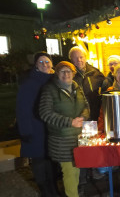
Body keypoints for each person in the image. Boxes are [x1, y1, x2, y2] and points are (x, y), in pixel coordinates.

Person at [39, 61, 90, 197]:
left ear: (74, 73)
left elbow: (86, 106)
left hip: (78, 137)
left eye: (69, 71)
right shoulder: (50, 89)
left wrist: (83, 118)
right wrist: (70, 122)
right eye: (63, 71)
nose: (66, 74)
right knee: (69, 172)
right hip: (62, 140)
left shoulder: (76, 86)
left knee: (77, 170)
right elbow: (45, 113)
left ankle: (74, 194)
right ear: (57, 73)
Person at [16, 51, 58, 197]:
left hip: (52, 128)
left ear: (52, 64)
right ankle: (45, 191)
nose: (44, 64)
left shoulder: (55, 80)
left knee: (52, 162)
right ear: (35, 65)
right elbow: (22, 109)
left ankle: (54, 190)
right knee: (39, 161)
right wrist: (25, 131)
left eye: (47, 61)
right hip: (36, 129)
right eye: (41, 62)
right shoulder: (29, 83)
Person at [68, 46, 106, 121]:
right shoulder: (68, 75)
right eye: (75, 58)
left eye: (81, 57)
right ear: (71, 59)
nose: (79, 60)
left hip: (95, 114)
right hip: (77, 116)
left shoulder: (95, 73)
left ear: (85, 58)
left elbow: (106, 89)